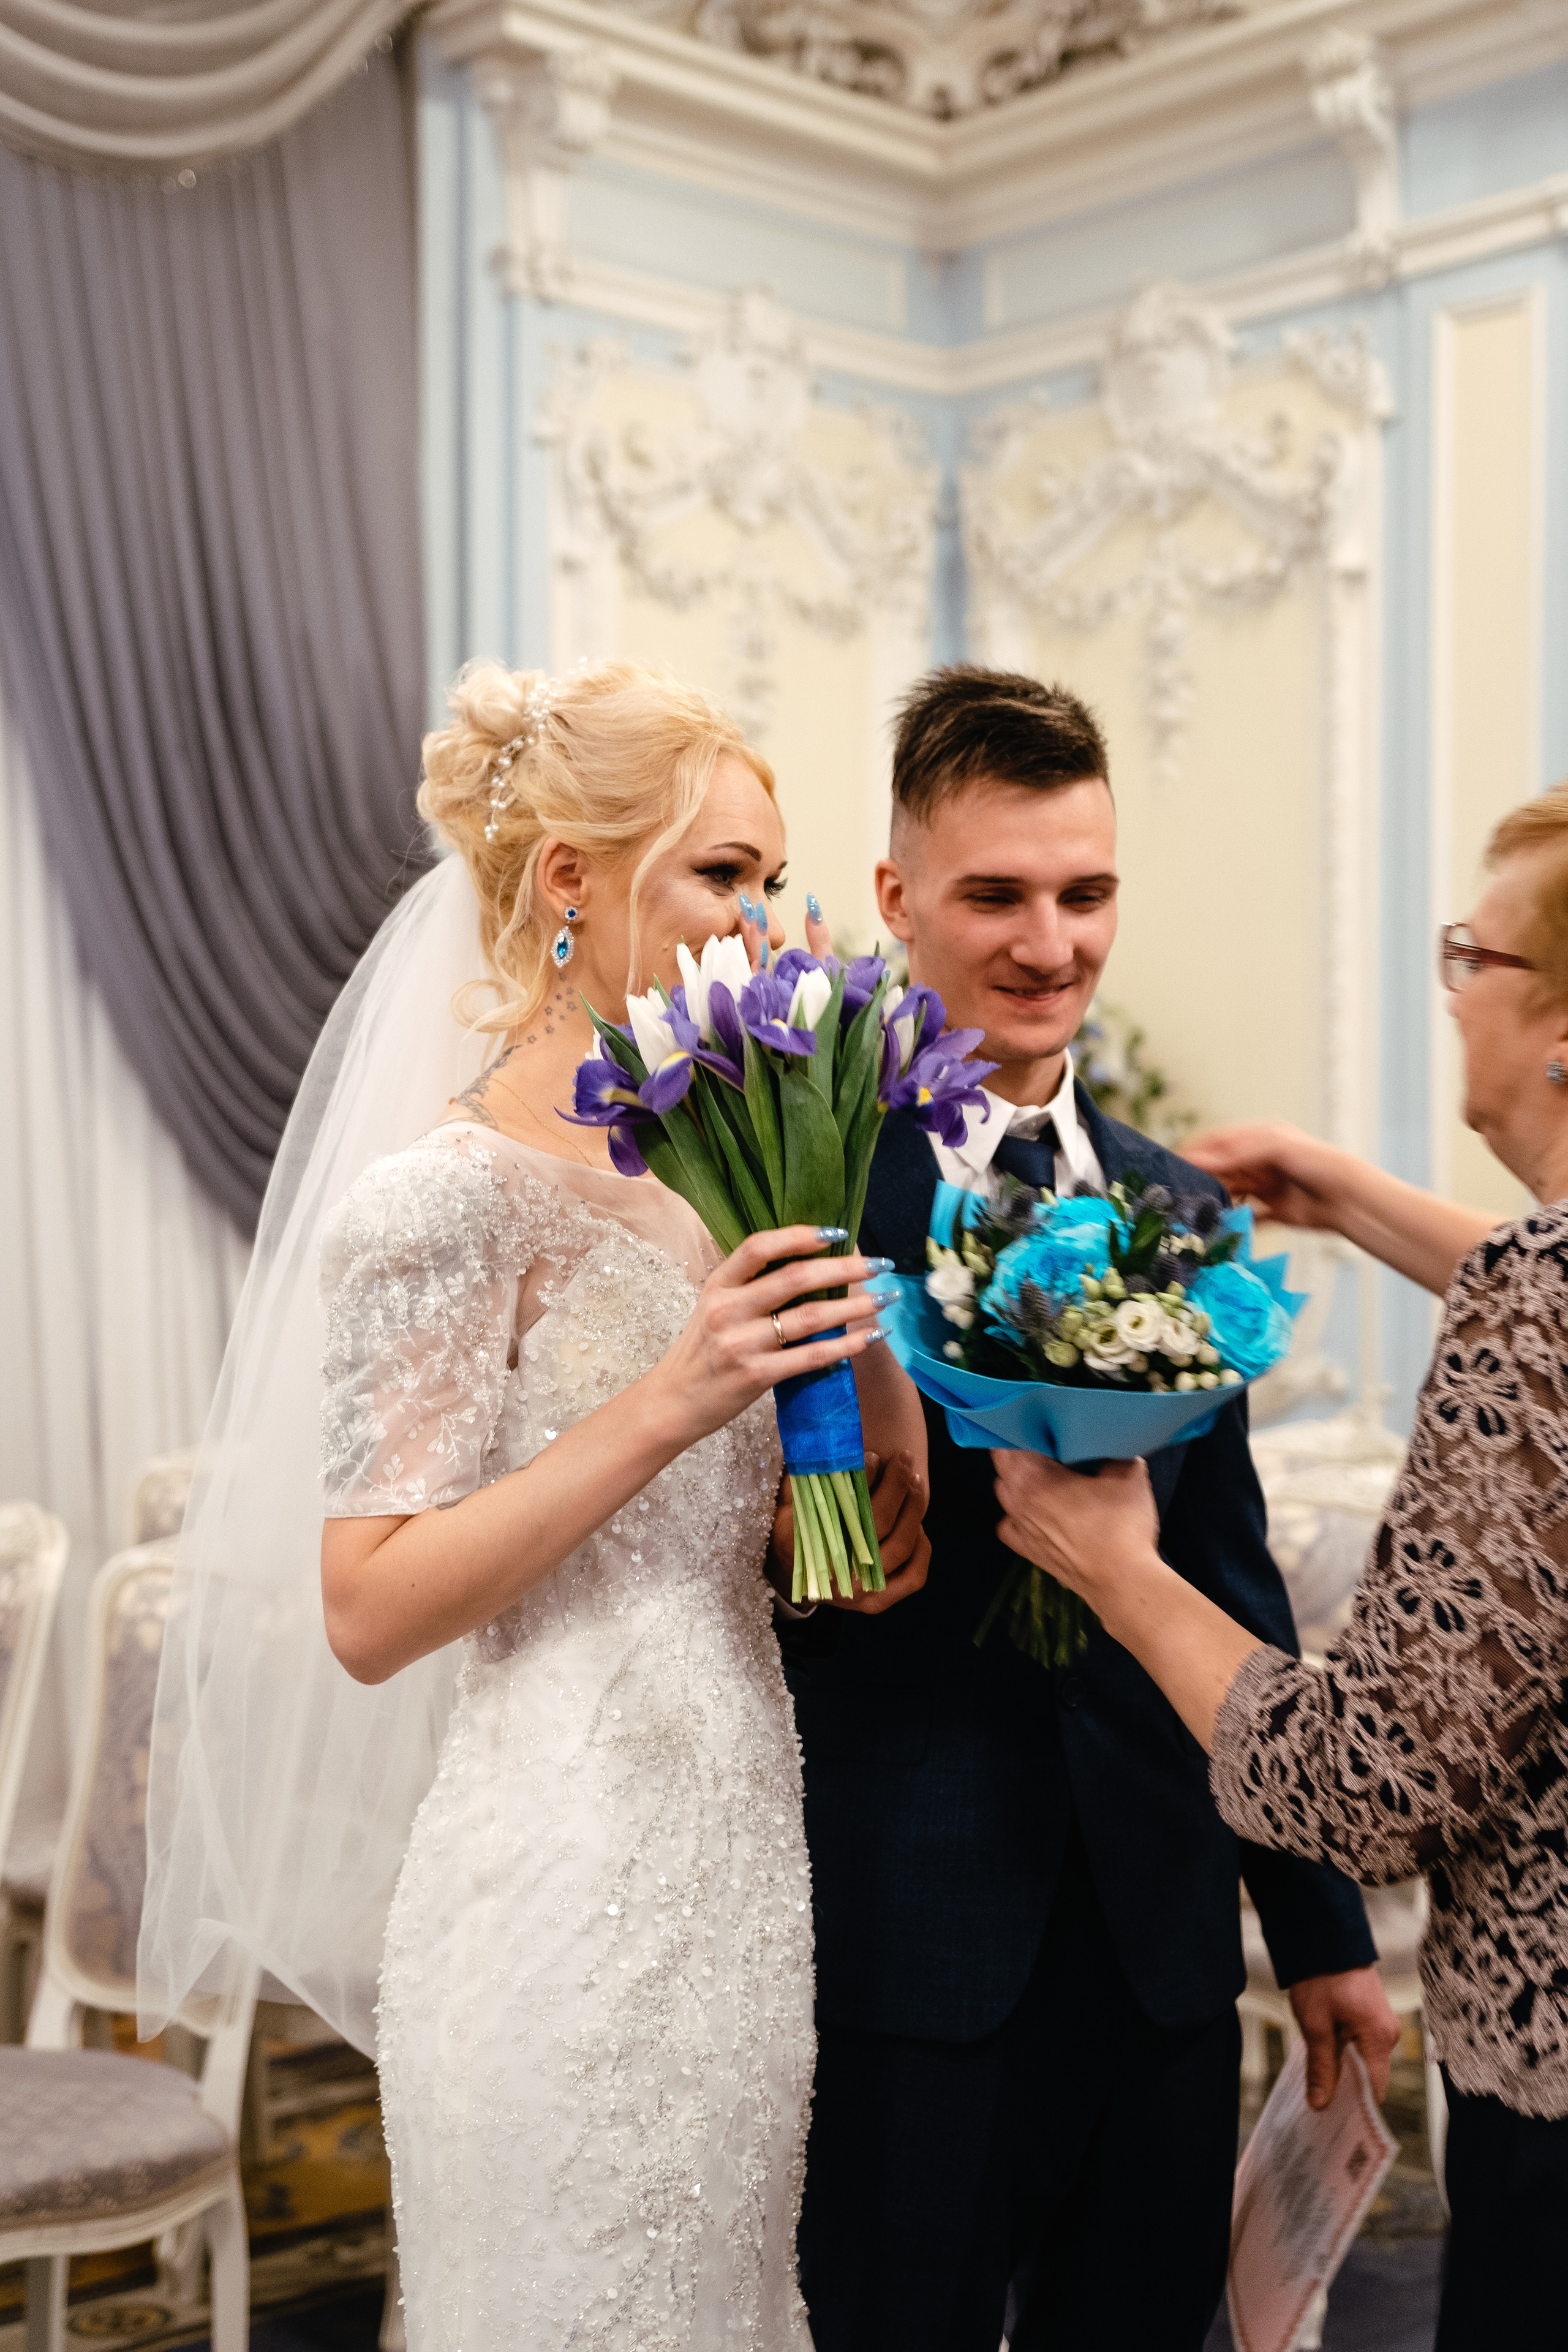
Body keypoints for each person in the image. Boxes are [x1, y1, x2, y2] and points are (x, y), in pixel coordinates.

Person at [138, 658, 927, 2351]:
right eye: (723, 871)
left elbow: (812, 1568)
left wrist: (865, 1411)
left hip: (738, 1858)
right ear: (570, 878)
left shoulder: (722, 1175)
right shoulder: (441, 1205)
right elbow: (371, 1608)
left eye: (771, 879)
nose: (763, 920)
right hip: (552, 1872)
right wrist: (671, 1400)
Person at [775, 666, 1395, 2352]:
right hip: (904, 1939)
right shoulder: (799, 1190)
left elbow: (1229, 1573)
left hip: (1163, 1944)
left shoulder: (1181, 1205)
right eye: (997, 894)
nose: (1051, 941)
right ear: (900, 898)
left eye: (1086, 891)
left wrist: (1319, 1926)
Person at [990, 782, 1568, 2352]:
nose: (1454, 994)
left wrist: (1117, 1569)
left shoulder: (1538, 1302)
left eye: (1476, 959)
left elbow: (1374, 1780)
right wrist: (1355, 1201)